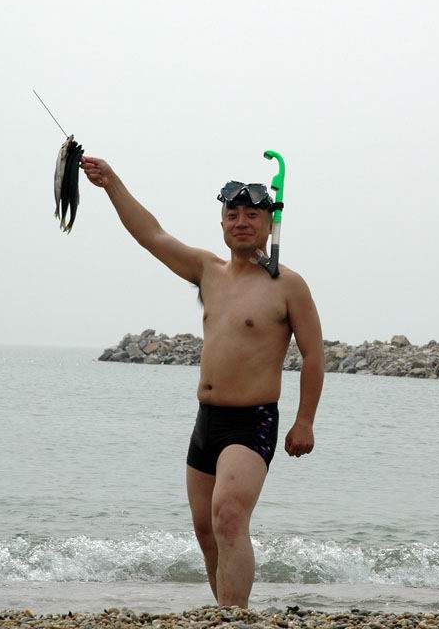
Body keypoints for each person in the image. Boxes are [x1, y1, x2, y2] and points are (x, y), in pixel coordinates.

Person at [80, 157, 325, 608]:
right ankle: (226, 611)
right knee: (206, 531)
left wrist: (304, 420)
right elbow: (152, 235)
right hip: (206, 420)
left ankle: (233, 618)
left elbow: (313, 355)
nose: (241, 222)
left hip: (252, 421)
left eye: (252, 214)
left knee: (229, 517)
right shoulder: (207, 271)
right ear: (222, 223)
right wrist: (111, 182)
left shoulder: (289, 286)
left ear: (270, 223)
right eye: (232, 215)